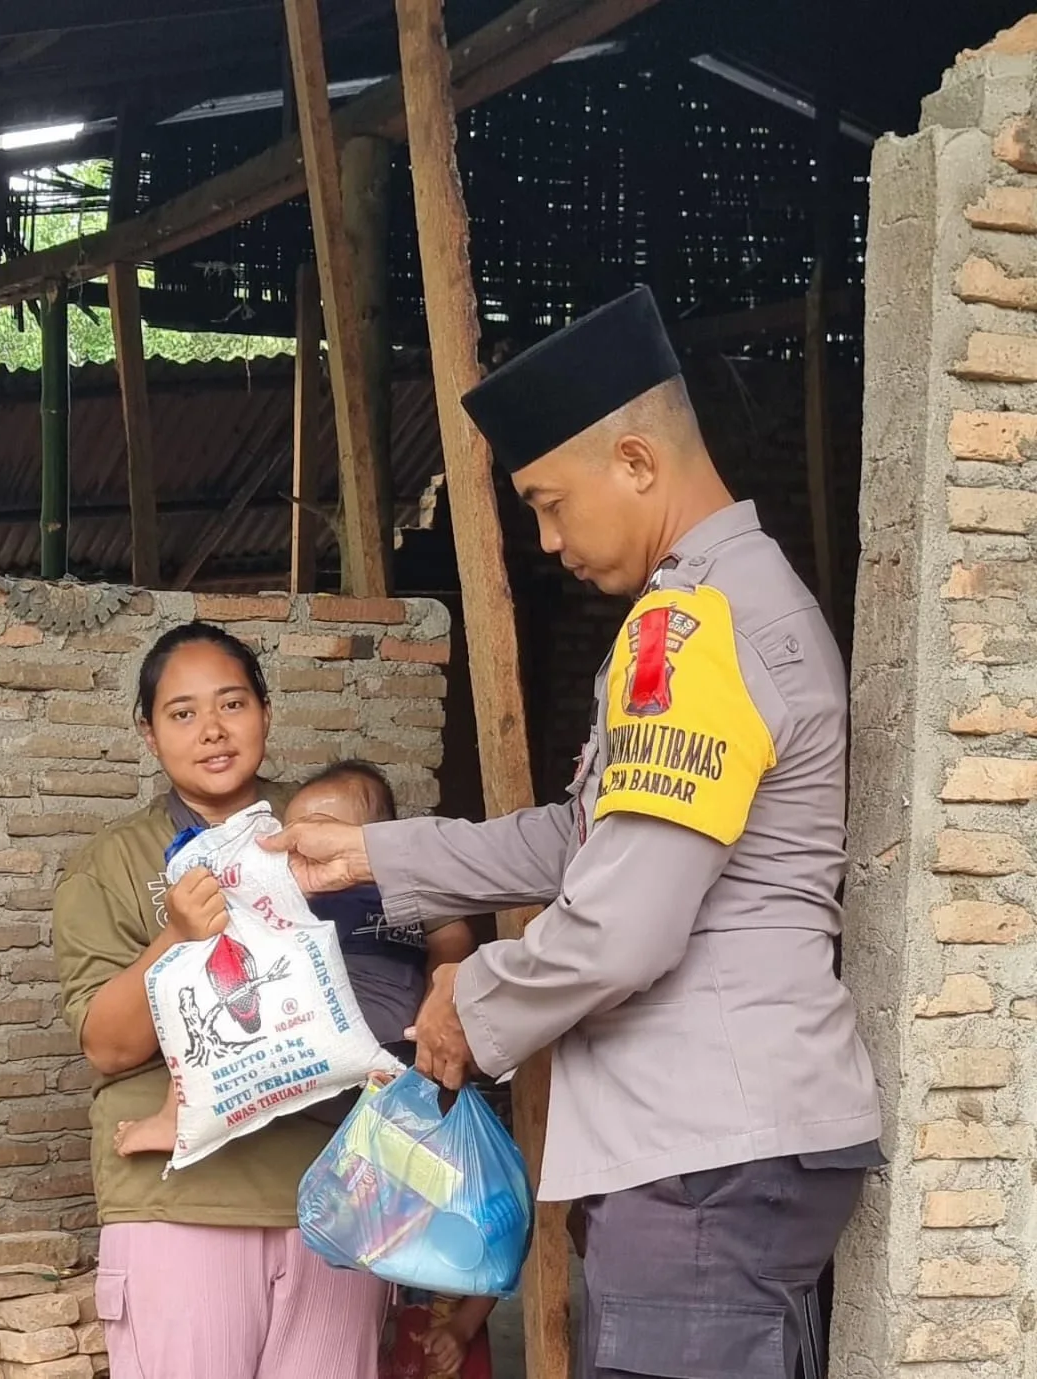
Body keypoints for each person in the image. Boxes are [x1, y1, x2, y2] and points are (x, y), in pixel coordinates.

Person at [265, 287, 882, 1379]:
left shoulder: (690, 628)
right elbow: (589, 838)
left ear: (636, 462)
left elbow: (623, 921)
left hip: (703, 1151)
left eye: (550, 503)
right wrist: (373, 855)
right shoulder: (738, 601)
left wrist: (472, 1000)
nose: (548, 541)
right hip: (729, 1142)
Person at [52, 623, 389, 1379]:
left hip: (336, 1194)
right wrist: (175, 935)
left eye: (232, 703)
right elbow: (107, 1046)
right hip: (182, 1206)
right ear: (148, 733)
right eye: (182, 713)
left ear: (265, 710)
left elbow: (410, 940)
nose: (212, 729)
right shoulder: (110, 864)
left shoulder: (323, 826)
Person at [113, 758, 477, 1156]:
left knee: (209, 990)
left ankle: (175, 1117)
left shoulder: (332, 891)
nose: (298, 848)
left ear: (372, 840)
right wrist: (434, 1000)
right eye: (292, 835)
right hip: (400, 1042)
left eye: (318, 830)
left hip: (342, 1034)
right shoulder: (407, 885)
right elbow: (452, 937)